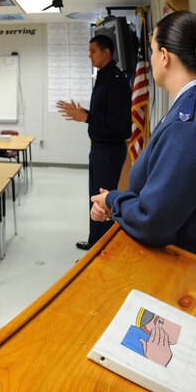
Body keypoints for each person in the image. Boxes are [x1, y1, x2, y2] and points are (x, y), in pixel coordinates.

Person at [90, 11, 196, 259]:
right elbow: (158, 191)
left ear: (164, 56)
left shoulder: (187, 124)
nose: (150, 59)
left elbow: (153, 221)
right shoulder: (189, 105)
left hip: (171, 264)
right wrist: (116, 205)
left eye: (151, 51)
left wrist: (113, 200)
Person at [57, 35, 132, 251]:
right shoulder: (104, 76)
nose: (90, 55)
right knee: (95, 199)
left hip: (109, 151)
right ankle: (94, 242)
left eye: (93, 51)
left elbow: (119, 124)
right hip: (99, 148)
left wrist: (87, 117)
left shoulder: (116, 80)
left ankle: (103, 249)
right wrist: (85, 113)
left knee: (103, 201)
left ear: (107, 52)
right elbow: (104, 113)